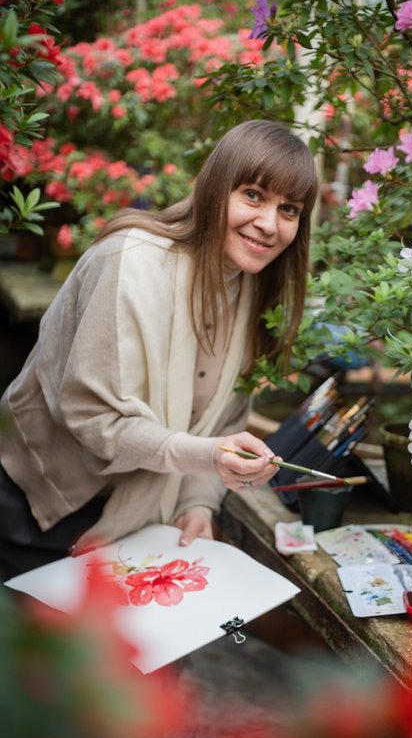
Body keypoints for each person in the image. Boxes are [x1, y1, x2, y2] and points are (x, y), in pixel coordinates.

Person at [0, 120, 319, 580]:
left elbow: (222, 422)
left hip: (136, 521)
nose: (269, 223)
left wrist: (197, 503)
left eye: (288, 209)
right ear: (215, 189)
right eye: (252, 195)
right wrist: (208, 453)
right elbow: (95, 418)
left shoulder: (255, 293)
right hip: (39, 504)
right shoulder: (128, 263)